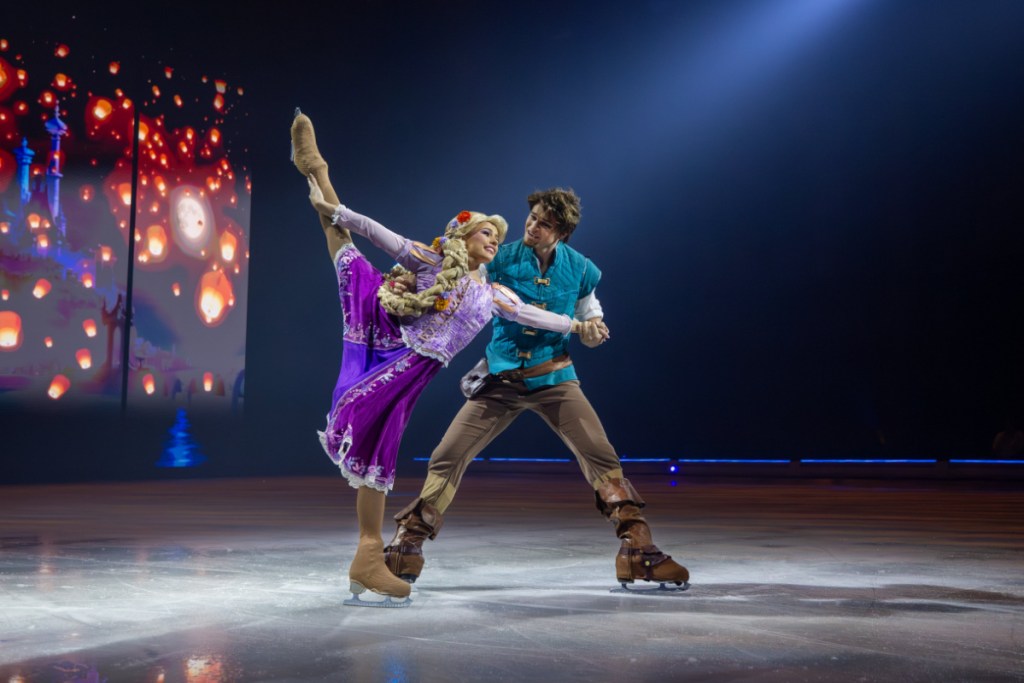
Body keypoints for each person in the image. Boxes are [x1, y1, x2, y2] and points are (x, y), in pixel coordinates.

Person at [290, 112, 589, 607]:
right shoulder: (431, 262)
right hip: (392, 350)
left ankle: (366, 555)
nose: (495, 240)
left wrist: (577, 324)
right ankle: (316, 170)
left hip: (414, 372)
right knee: (346, 254)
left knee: (378, 455)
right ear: (460, 238)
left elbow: (537, 315)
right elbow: (379, 234)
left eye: (497, 236)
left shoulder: (492, 292)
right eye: (485, 233)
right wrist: (336, 212)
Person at [384, 188, 690, 592]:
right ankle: (406, 547)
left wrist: (594, 332)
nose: (532, 226)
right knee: (447, 455)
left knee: (601, 455)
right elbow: (456, 278)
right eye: (532, 217)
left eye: (544, 223)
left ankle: (638, 550)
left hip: (554, 379)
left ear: (562, 231)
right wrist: (410, 282)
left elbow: (589, 316)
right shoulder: (500, 257)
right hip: (501, 379)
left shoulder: (581, 269)